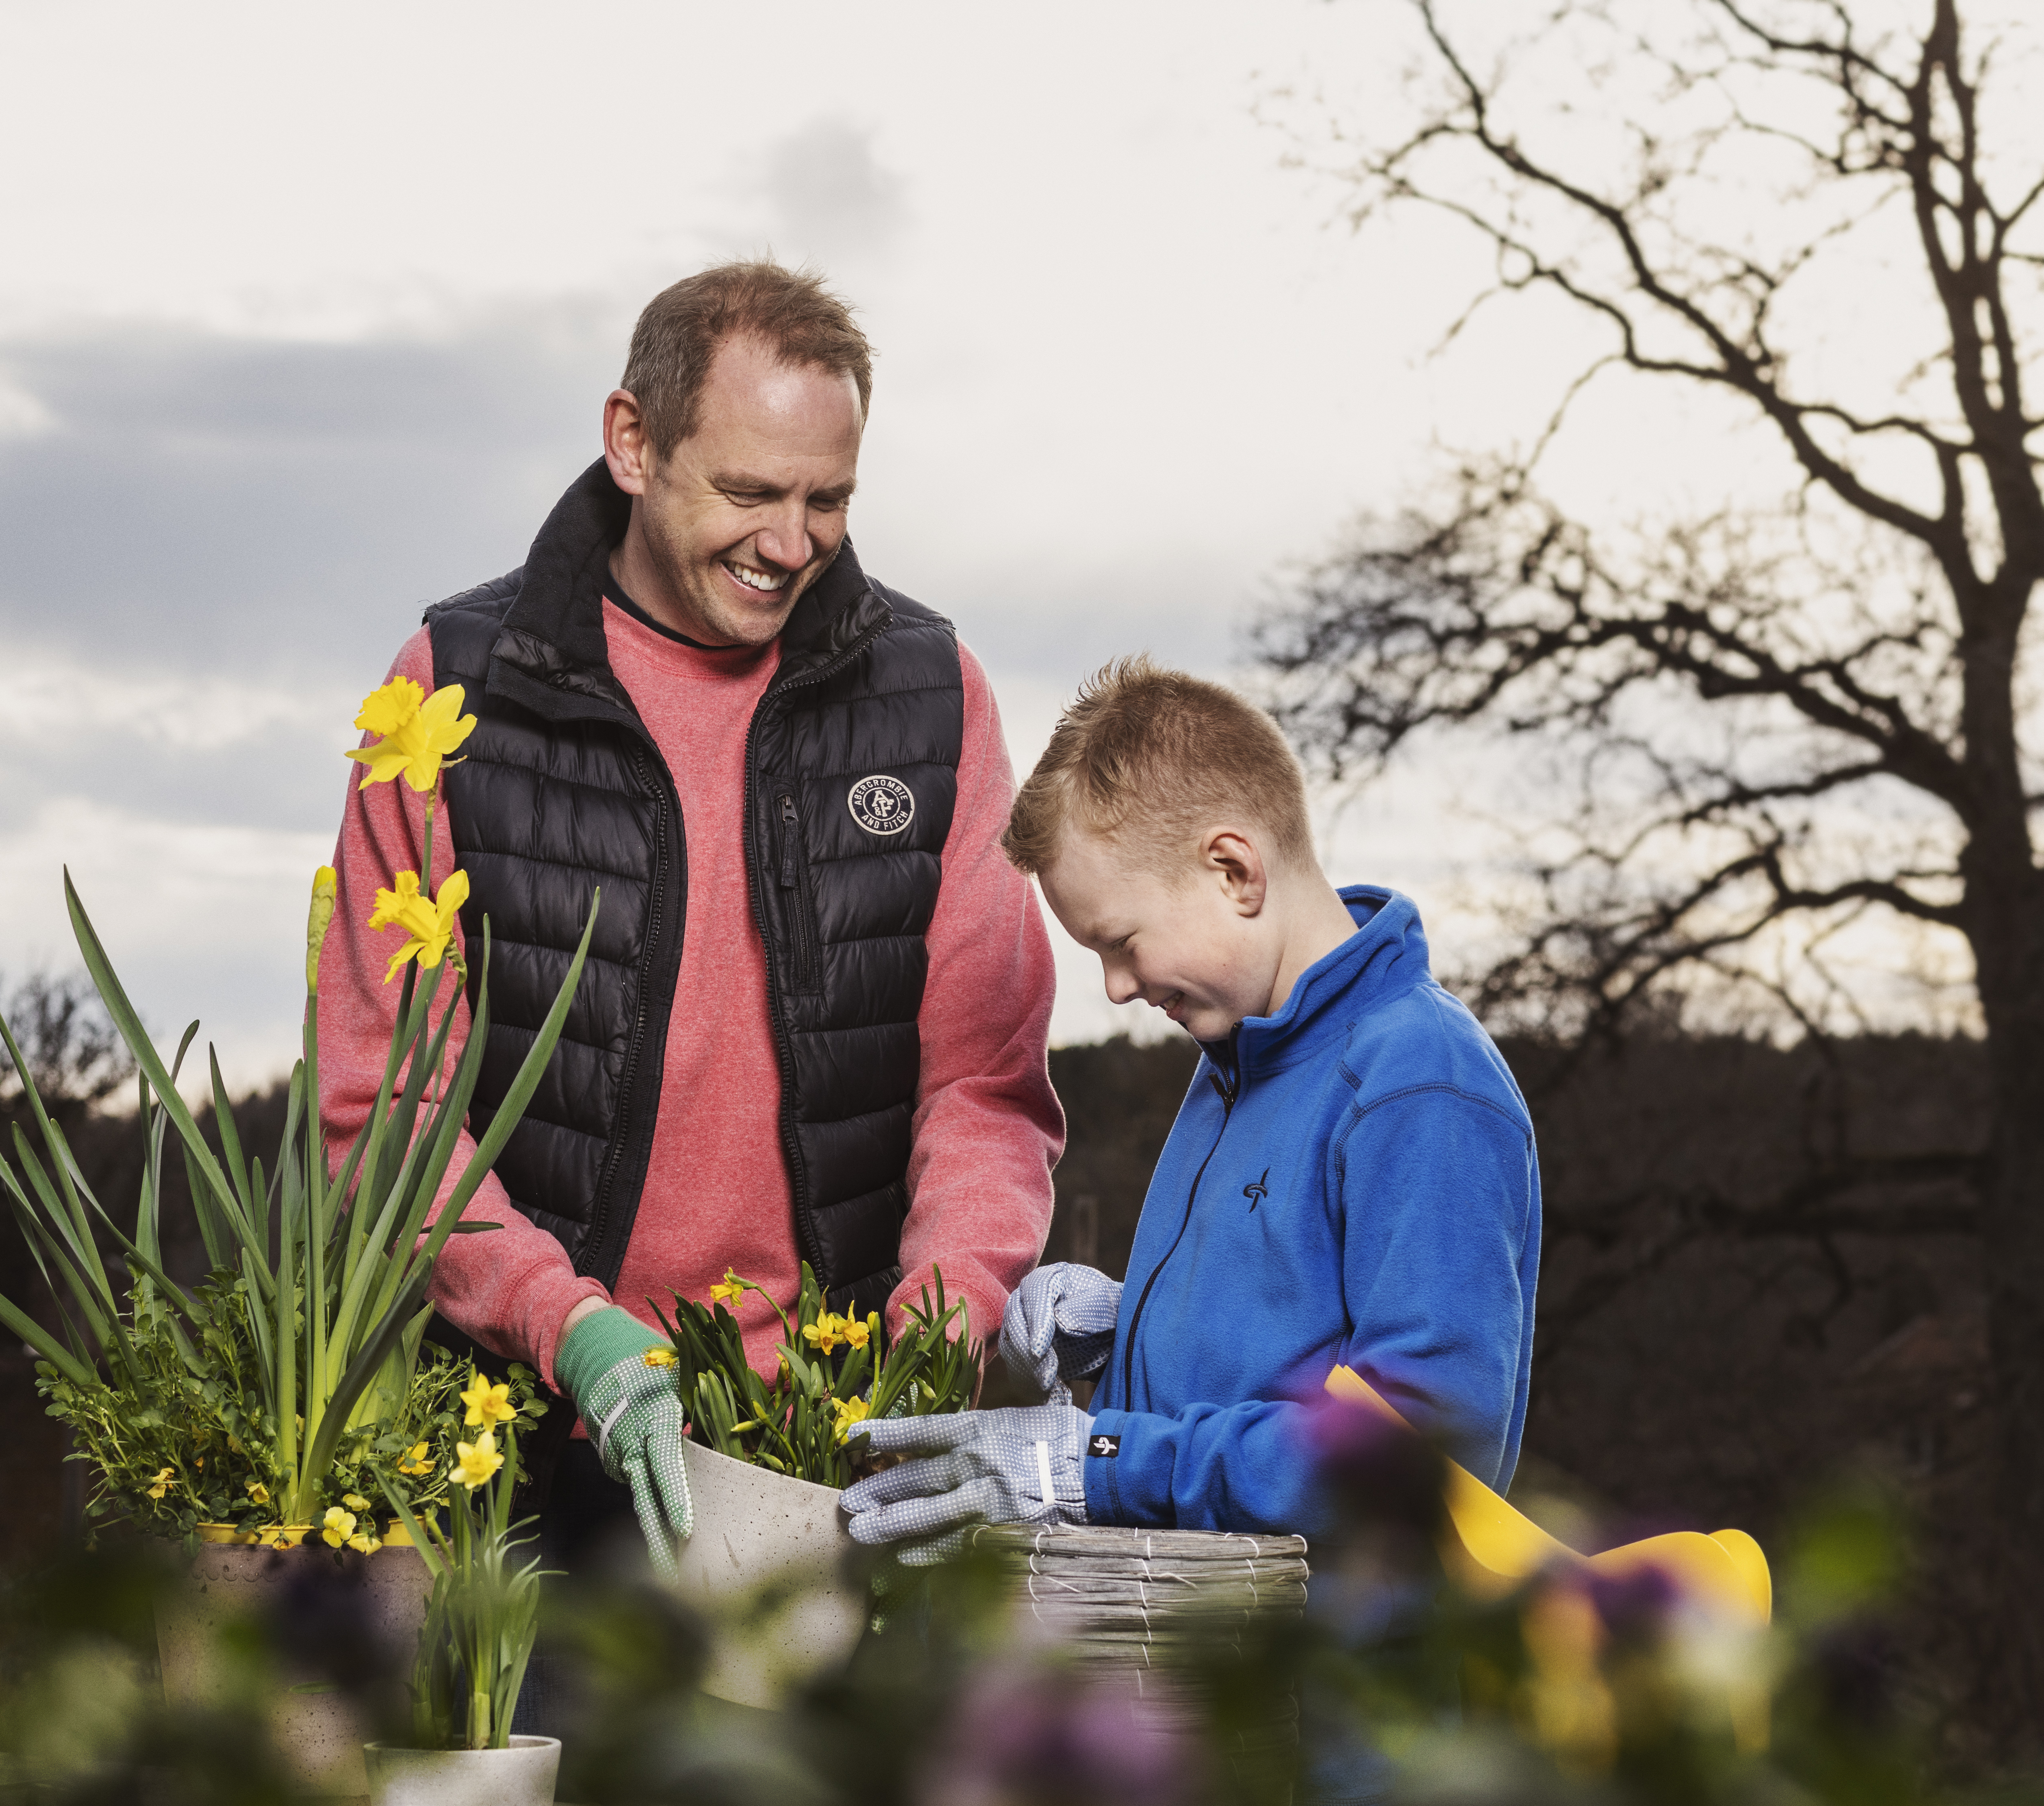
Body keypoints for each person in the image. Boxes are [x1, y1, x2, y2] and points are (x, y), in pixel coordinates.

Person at [319, 260, 1065, 1592]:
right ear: (633, 442)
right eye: (749, 492)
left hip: (830, 1460)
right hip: (530, 1443)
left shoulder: (932, 697)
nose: (791, 542)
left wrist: (930, 1344)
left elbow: (985, 1087)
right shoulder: (451, 694)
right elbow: (384, 1112)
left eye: (827, 500)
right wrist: (568, 1331)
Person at [840, 655, 1540, 1556]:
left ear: (1234, 871)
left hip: (1328, 1647)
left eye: (1122, 943)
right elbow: (1295, 1345)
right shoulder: (1234, 1058)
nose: (1117, 987)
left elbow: (1422, 1455)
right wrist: (1132, 1323)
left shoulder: (1420, 1085)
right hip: (1203, 1628)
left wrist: (1097, 1463)